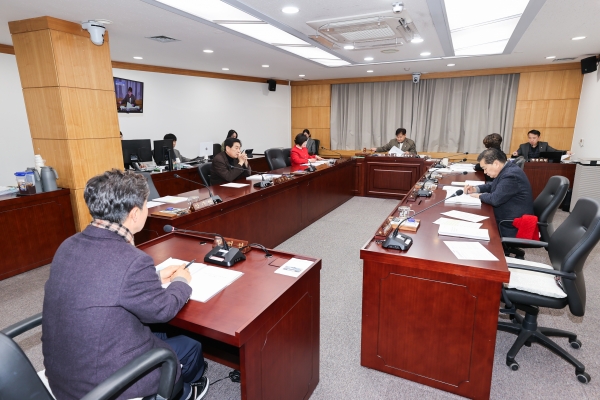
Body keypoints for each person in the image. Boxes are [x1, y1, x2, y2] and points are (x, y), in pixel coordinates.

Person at [42, 169, 209, 400]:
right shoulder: (132, 260)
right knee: (190, 346)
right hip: (102, 386)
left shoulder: (68, 245)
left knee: (161, 334)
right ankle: (185, 392)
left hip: (62, 374)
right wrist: (181, 280)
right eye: (146, 204)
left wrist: (155, 276)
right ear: (134, 214)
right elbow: (163, 310)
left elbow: (100, 280)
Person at [465, 148, 534, 237]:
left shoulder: (511, 175)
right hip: (506, 218)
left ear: (496, 164)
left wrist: (479, 196)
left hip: (510, 225)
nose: (485, 172)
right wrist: (475, 189)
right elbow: (493, 185)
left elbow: (495, 199)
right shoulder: (507, 169)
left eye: (485, 168)